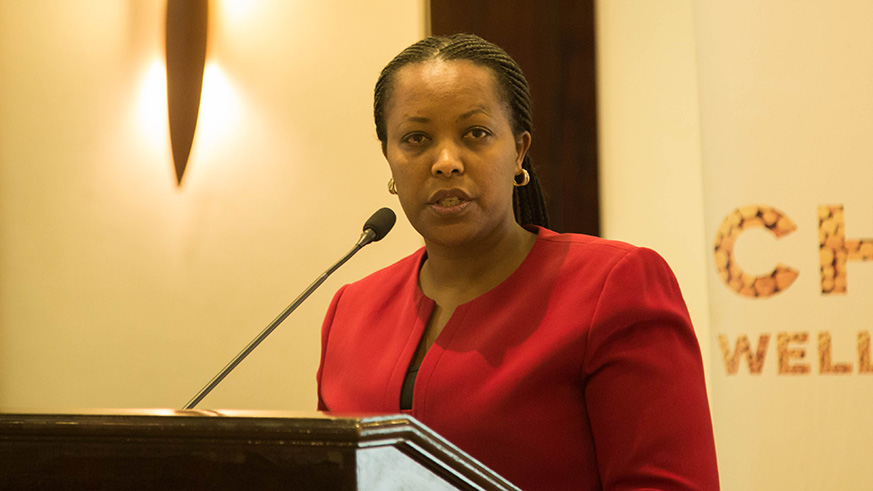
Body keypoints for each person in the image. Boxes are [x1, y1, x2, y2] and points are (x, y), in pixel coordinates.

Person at [317, 33, 719, 490]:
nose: (446, 162)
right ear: (389, 157)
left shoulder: (613, 286)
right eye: (416, 139)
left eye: (476, 133)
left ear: (519, 152)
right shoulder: (350, 311)